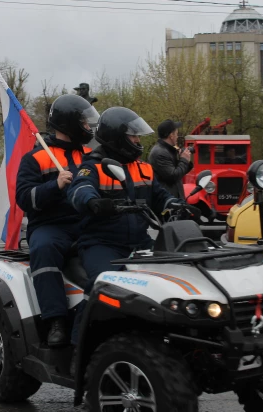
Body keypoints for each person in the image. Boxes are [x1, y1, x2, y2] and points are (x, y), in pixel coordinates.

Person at [67, 107, 181, 372]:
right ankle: (77, 349)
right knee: (101, 285)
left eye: (139, 137)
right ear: (117, 138)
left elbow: (159, 196)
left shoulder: (143, 168)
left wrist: (177, 205)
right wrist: (93, 202)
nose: (139, 142)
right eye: (134, 137)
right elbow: (79, 190)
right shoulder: (92, 166)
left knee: (173, 276)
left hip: (139, 242)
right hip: (101, 243)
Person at [15, 94, 99, 348]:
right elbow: (23, 198)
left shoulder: (91, 154)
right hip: (51, 226)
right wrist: (55, 185)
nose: (89, 127)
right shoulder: (36, 158)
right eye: (85, 123)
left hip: (86, 223)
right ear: (69, 124)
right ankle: (56, 321)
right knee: (44, 248)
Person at [148, 119, 193, 198]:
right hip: (167, 200)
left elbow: (180, 173)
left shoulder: (169, 150)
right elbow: (173, 176)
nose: (177, 137)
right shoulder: (160, 153)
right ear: (171, 136)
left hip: (174, 198)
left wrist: (185, 160)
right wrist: (184, 160)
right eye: (176, 134)